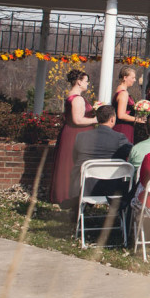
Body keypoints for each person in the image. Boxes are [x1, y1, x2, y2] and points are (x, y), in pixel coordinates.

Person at [49, 69, 97, 205]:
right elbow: (77, 120)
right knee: (72, 163)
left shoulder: (72, 96)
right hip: (76, 134)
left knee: (70, 162)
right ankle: (68, 195)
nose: (88, 84)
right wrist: (95, 120)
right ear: (79, 82)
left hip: (71, 132)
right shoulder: (77, 99)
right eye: (86, 81)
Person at [70, 104, 132, 198]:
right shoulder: (119, 138)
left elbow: (75, 158)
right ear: (112, 119)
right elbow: (131, 154)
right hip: (111, 187)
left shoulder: (81, 136)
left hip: (83, 186)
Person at [111, 67, 140, 143]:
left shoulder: (119, 90)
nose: (134, 80)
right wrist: (137, 119)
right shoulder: (123, 93)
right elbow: (121, 115)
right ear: (125, 77)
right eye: (133, 78)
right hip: (123, 128)